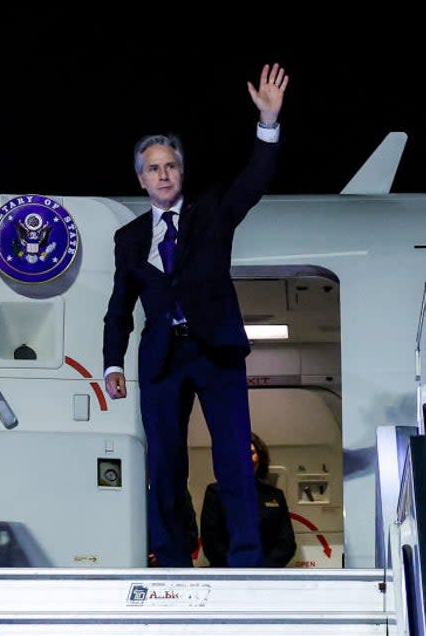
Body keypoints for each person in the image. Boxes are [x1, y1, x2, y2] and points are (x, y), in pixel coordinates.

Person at [103, 62, 289, 568]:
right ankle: (172, 554)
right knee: (164, 463)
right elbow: (119, 308)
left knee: (234, 460)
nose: (163, 175)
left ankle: (246, 558)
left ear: (181, 172)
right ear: (141, 179)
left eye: (171, 166)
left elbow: (255, 179)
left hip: (215, 350)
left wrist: (267, 122)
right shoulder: (130, 239)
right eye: (153, 168)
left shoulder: (212, 212)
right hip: (161, 358)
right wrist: (113, 364)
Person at [200, 432, 297, 568]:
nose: (247, 459)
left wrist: (262, 571)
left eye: (251, 453)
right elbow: (212, 544)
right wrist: (239, 572)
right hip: (229, 573)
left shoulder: (275, 495)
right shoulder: (215, 493)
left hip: (267, 574)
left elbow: (286, 544)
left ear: (260, 456)